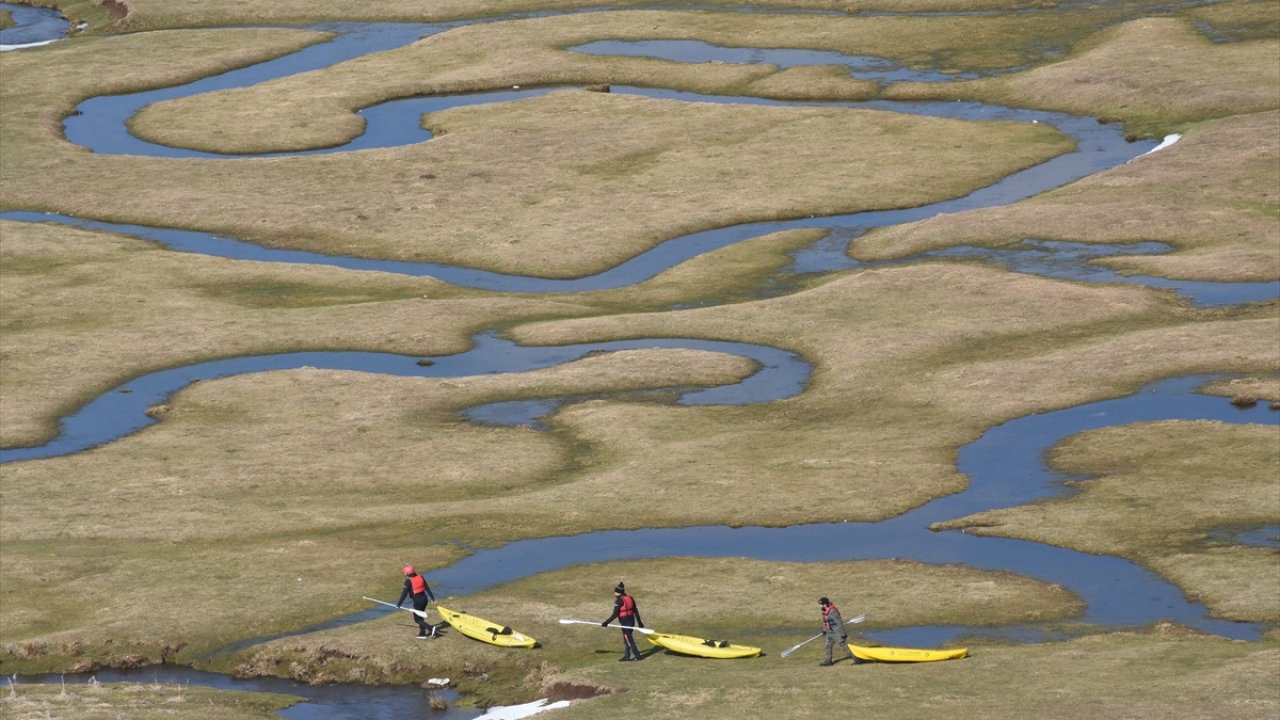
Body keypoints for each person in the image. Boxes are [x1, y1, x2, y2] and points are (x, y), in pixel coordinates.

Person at [602, 582, 644, 661]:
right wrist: (639, 623)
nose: (614, 593)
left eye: (615, 592)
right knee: (626, 639)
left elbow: (615, 614)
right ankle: (626, 656)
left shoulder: (619, 601)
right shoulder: (630, 598)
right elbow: (636, 610)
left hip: (625, 622)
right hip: (631, 620)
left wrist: (606, 622)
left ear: (618, 592)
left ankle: (637, 656)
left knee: (628, 639)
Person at [396, 564, 437, 639]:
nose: (404, 574)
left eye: (405, 573)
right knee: (420, 616)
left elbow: (404, 593)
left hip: (418, 601)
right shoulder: (420, 577)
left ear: (408, 573)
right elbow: (427, 587)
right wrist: (432, 598)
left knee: (417, 619)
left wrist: (399, 604)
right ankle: (422, 634)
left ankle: (431, 628)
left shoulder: (408, 581)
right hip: (424, 599)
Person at [819, 596, 858, 666]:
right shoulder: (825, 610)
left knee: (843, 645)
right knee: (828, 645)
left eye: (821, 604)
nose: (820, 606)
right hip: (829, 631)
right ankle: (828, 661)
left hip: (837, 632)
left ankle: (856, 658)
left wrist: (843, 633)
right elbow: (825, 621)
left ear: (825, 604)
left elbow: (839, 622)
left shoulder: (833, 611)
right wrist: (824, 630)